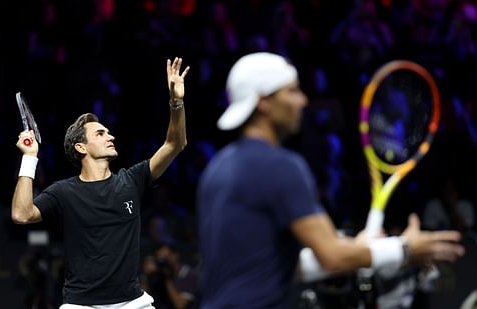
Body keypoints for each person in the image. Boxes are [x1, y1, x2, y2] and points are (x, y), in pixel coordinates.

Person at [196, 52, 465, 308]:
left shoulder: (216, 169)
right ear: (263, 101)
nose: (302, 101)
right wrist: (404, 249)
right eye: (292, 91)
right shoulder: (279, 166)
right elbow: (331, 255)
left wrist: (366, 249)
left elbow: (273, 266)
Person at [12, 57, 190, 308]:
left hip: (133, 303)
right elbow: (21, 214)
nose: (111, 136)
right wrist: (30, 158)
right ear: (81, 146)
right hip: (81, 305)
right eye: (100, 133)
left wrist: (176, 102)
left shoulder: (132, 180)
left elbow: (175, 144)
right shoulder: (63, 191)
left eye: (108, 131)